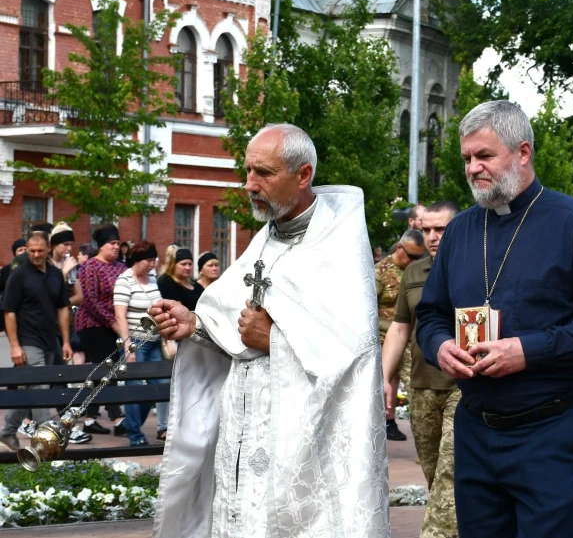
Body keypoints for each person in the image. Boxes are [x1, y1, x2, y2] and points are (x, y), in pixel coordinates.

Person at [415, 101, 573, 537]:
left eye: (484, 156)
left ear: (522, 153)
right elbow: (431, 314)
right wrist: (441, 345)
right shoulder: (461, 230)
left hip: (551, 429)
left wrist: (529, 350)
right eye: (466, 158)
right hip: (475, 428)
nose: (472, 168)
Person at [149, 123, 388, 537]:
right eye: (247, 171)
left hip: (296, 441)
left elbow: (357, 353)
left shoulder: (338, 245)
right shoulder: (265, 239)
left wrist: (273, 338)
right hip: (242, 428)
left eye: (264, 173)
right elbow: (233, 324)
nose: (249, 184)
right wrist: (195, 323)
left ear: (303, 175)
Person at [383, 200, 461, 538]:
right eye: (427, 229)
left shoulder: (479, 266)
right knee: (434, 475)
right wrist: (385, 378)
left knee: (450, 475)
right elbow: (400, 328)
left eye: (440, 229)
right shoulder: (414, 274)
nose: (432, 236)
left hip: (465, 388)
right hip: (422, 387)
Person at [0, 234, 79, 451]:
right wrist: (15, 345)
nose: (35, 255)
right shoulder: (19, 275)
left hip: (49, 340)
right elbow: (9, 312)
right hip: (27, 340)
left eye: (40, 251)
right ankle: (46, 442)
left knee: (32, 388)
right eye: (31, 250)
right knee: (41, 387)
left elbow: (63, 308)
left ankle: (7, 432)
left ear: (48, 249)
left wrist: (65, 341)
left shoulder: (55, 274)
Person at [75, 225, 127, 435]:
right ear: (102, 245)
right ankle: (117, 417)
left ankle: (89, 418)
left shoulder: (122, 268)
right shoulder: (89, 267)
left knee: (101, 370)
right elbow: (90, 300)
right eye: (112, 243)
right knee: (108, 367)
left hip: (116, 324)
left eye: (117, 243)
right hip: (92, 324)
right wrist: (113, 323)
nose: (116, 247)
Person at [112, 241, 166, 446]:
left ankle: (131, 424)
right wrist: (127, 346)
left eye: (154, 260)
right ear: (137, 260)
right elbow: (120, 316)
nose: (152, 264)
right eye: (149, 260)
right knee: (134, 388)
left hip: (153, 341)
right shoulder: (124, 281)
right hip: (135, 342)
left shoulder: (152, 278)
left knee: (159, 387)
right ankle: (135, 435)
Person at [376, 228, 425, 441]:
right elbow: (366, 308)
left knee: (418, 390)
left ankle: (424, 435)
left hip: (409, 341)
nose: (415, 260)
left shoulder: (416, 271)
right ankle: (384, 425)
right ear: (399, 248)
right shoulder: (380, 272)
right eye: (412, 256)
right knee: (380, 389)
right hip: (382, 340)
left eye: (419, 256)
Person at [157, 247, 201, 311]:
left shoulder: (193, 283)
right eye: (183, 264)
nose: (188, 267)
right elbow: (177, 310)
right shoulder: (166, 281)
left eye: (190, 264)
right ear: (172, 265)